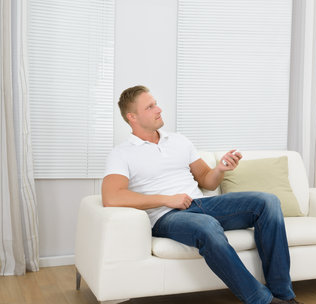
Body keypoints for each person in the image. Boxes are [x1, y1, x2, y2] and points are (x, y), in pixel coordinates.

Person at [102, 85, 302, 304]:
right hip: (166, 216)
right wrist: (167, 199)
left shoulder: (179, 141)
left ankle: (284, 295)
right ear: (132, 117)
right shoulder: (122, 153)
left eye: (156, 103)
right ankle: (261, 301)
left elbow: (207, 180)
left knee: (268, 202)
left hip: (201, 204)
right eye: (150, 107)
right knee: (206, 226)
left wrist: (220, 169)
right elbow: (112, 197)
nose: (159, 109)